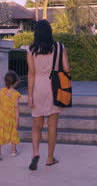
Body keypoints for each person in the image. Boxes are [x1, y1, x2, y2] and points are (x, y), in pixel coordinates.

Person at [26, 20, 70, 170]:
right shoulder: (59, 47)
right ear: (50, 31)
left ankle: (35, 153)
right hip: (54, 88)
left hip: (38, 87)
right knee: (52, 126)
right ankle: (50, 158)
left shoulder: (31, 50)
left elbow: (31, 74)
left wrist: (30, 96)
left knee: (36, 126)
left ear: (36, 33)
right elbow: (67, 69)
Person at [0, 71, 21, 161]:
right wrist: (17, 119)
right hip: (11, 118)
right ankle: (13, 151)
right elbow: (16, 108)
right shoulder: (16, 94)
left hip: (1, 117)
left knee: (0, 133)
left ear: (5, 82)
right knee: (13, 132)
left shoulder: (1, 91)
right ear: (15, 82)